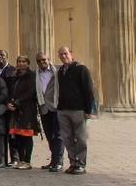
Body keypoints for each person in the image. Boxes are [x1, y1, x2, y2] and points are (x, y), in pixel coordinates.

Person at [56, 46, 95, 175]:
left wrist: (89, 109)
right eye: (61, 55)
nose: (63, 56)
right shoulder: (61, 71)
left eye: (65, 53)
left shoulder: (81, 69)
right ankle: (73, 163)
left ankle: (81, 164)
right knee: (67, 138)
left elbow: (89, 90)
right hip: (63, 109)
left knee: (80, 138)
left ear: (71, 54)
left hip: (78, 109)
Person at [7, 55, 40, 169]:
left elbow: (30, 92)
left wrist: (16, 102)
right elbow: (11, 91)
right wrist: (10, 102)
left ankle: (27, 161)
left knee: (26, 136)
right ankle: (21, 160)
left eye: (23, 62)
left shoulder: (31, 76)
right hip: (16, 111)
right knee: (18, 136)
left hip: (27, 110)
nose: (21, 64)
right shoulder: (15, 76)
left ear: (28, 63)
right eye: (19, 61)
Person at [36, 52, 63, 172]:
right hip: (44, 108)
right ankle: (53, 160)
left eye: (44, 60)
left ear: (49, 59)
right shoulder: (35, 74)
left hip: (56, 107)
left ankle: (58, 162)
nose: (42, 62)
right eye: (39, 61)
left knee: (58, 135)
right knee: (49, 136)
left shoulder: (57, 71)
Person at [0, 49, 17, 166]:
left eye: (3, 55)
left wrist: (10, 102)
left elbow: (14, 88)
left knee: (11, 133)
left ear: (7, 57)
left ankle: (14, 157)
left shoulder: (12, 70)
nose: (0, 57)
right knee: (0, 133)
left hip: (9, 106)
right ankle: (1, 158)